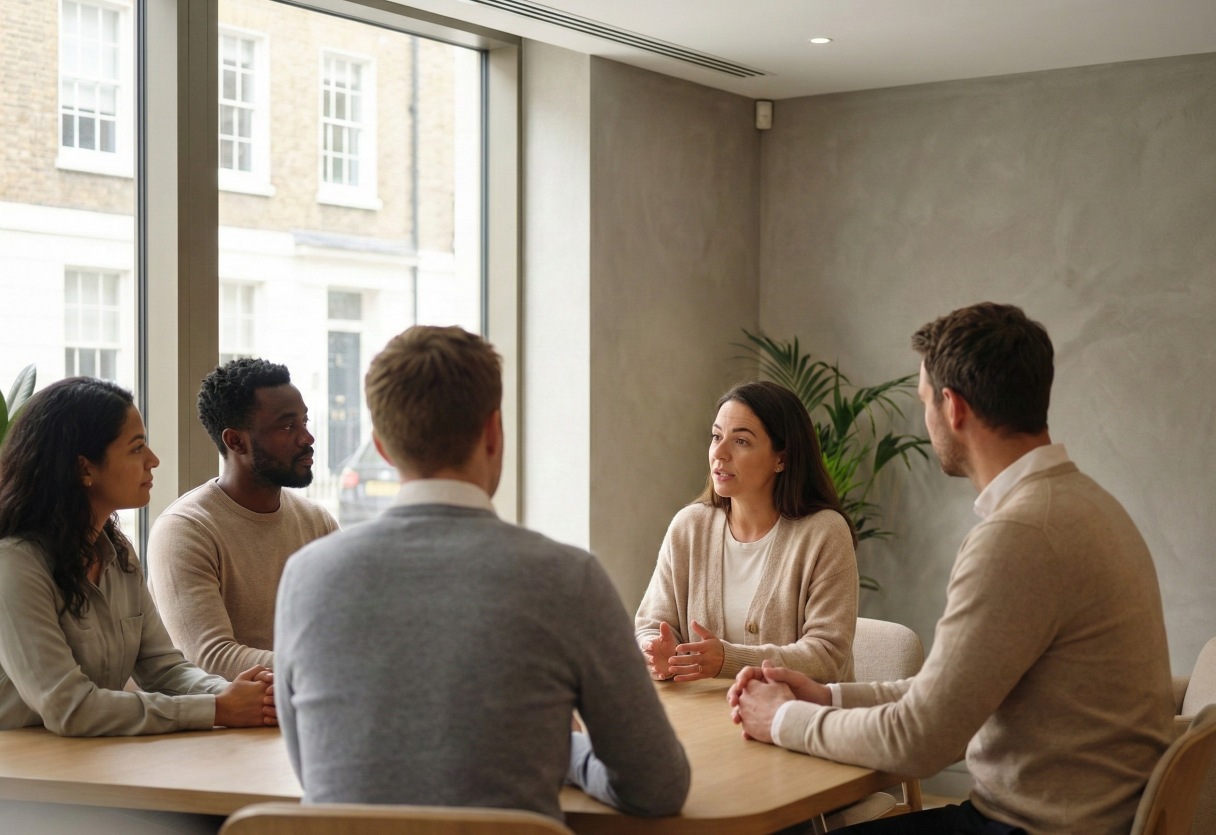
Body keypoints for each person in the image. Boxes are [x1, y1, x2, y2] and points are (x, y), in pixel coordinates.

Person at [729, 303, 1175, 835]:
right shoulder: (1088, 505)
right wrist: (827, 696)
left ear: (953, 408)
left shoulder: (1020, 536)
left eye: (924, 403)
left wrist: (779, 719)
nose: (925, 419)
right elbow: (946, 700)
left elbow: (920, 739)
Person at [275, 326, 690, 821]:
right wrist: (571, 754)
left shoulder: (305, 577)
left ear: (382, 447)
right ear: (493, 431)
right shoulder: (568, 578)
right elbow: (657, 786)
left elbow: (314, 771)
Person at [0, 377, 275, 736]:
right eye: (136, 448)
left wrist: (243, 697)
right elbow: (70, 707)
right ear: (84, 468)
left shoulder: (118, 552)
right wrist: (218, 707)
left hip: (94, 764)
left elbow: (165, 669)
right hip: (25, 780)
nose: (153, 460)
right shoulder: (14, 565)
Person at [635, 381, 859, 683]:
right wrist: (655, 650)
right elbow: (650, 625)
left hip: (796, 721)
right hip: (705, 718)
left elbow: (826, 657)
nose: (720, 453)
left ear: (781, 458)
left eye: (741, 441)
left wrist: (730, 660)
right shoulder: (689, 527)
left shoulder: (824, 533)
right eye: (716, 437)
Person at [147, 359, 338, 680]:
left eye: (305, 421)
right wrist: (327, 668)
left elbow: (346, 632)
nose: (307, 438)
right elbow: (210, 657)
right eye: (288, 426)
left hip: (299, 709)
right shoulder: (184, 529)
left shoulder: (317, 522)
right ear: (235, 441)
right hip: (215, 726)